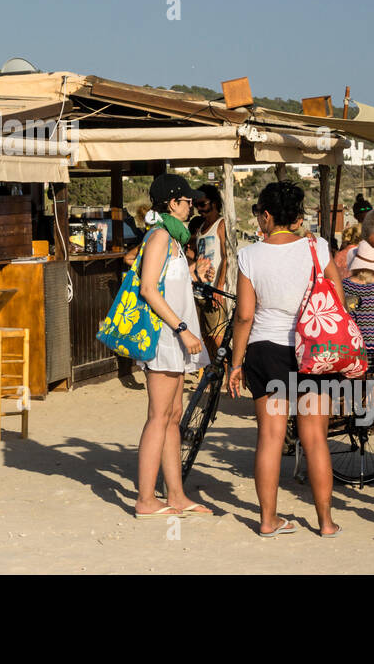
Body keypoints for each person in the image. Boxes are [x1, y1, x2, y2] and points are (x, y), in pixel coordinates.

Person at [228, 180, 344, 538]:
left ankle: (268, 520)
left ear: (266, 215)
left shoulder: (249, 255)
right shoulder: (317, 248)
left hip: (266, 350)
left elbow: (245, 316)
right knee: (315, 439)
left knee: (271, 437)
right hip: (312, 350)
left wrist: (235, 363)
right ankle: (325, 523)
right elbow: (337, 297)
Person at [133, 174, 215, 518]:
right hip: (166, 337)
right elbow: (149, 289)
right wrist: (183, 330)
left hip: (176, 337)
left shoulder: (175, 239)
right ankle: (145, 499)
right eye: (187, 201)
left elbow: (169, 284)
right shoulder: (160, 237)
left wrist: (195, 273)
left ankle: (176, 494)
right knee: (159, 416)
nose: (192, 206)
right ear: (172, 203)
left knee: (173, 415)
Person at [191, 184, 229, 348]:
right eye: (196, 205)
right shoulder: (201, 226)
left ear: (214, 203)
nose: (199, 209)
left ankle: (230, 374)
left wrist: (219, 288)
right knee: (206, 340)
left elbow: (227, 257)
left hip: (214, 292)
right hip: (199, 290)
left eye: (203, 204)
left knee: (219, 340)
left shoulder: (221, 224)